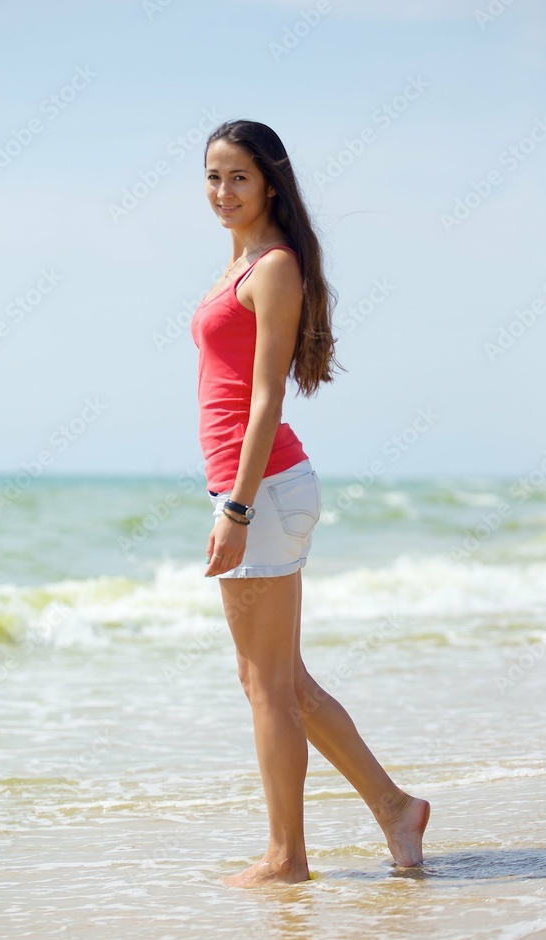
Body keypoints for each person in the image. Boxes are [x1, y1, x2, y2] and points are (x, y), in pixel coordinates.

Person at [190, 120, 430, 888]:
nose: (222, 193)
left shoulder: (274, 269)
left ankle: (287, 858)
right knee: (279, 680)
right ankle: (395, 807)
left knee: (266, 685)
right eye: (213, 177)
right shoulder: (241, 265)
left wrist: (235, 507)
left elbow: (265, 401)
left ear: (269, 185)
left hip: (260, 488)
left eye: (238, 178)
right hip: (257, 487)